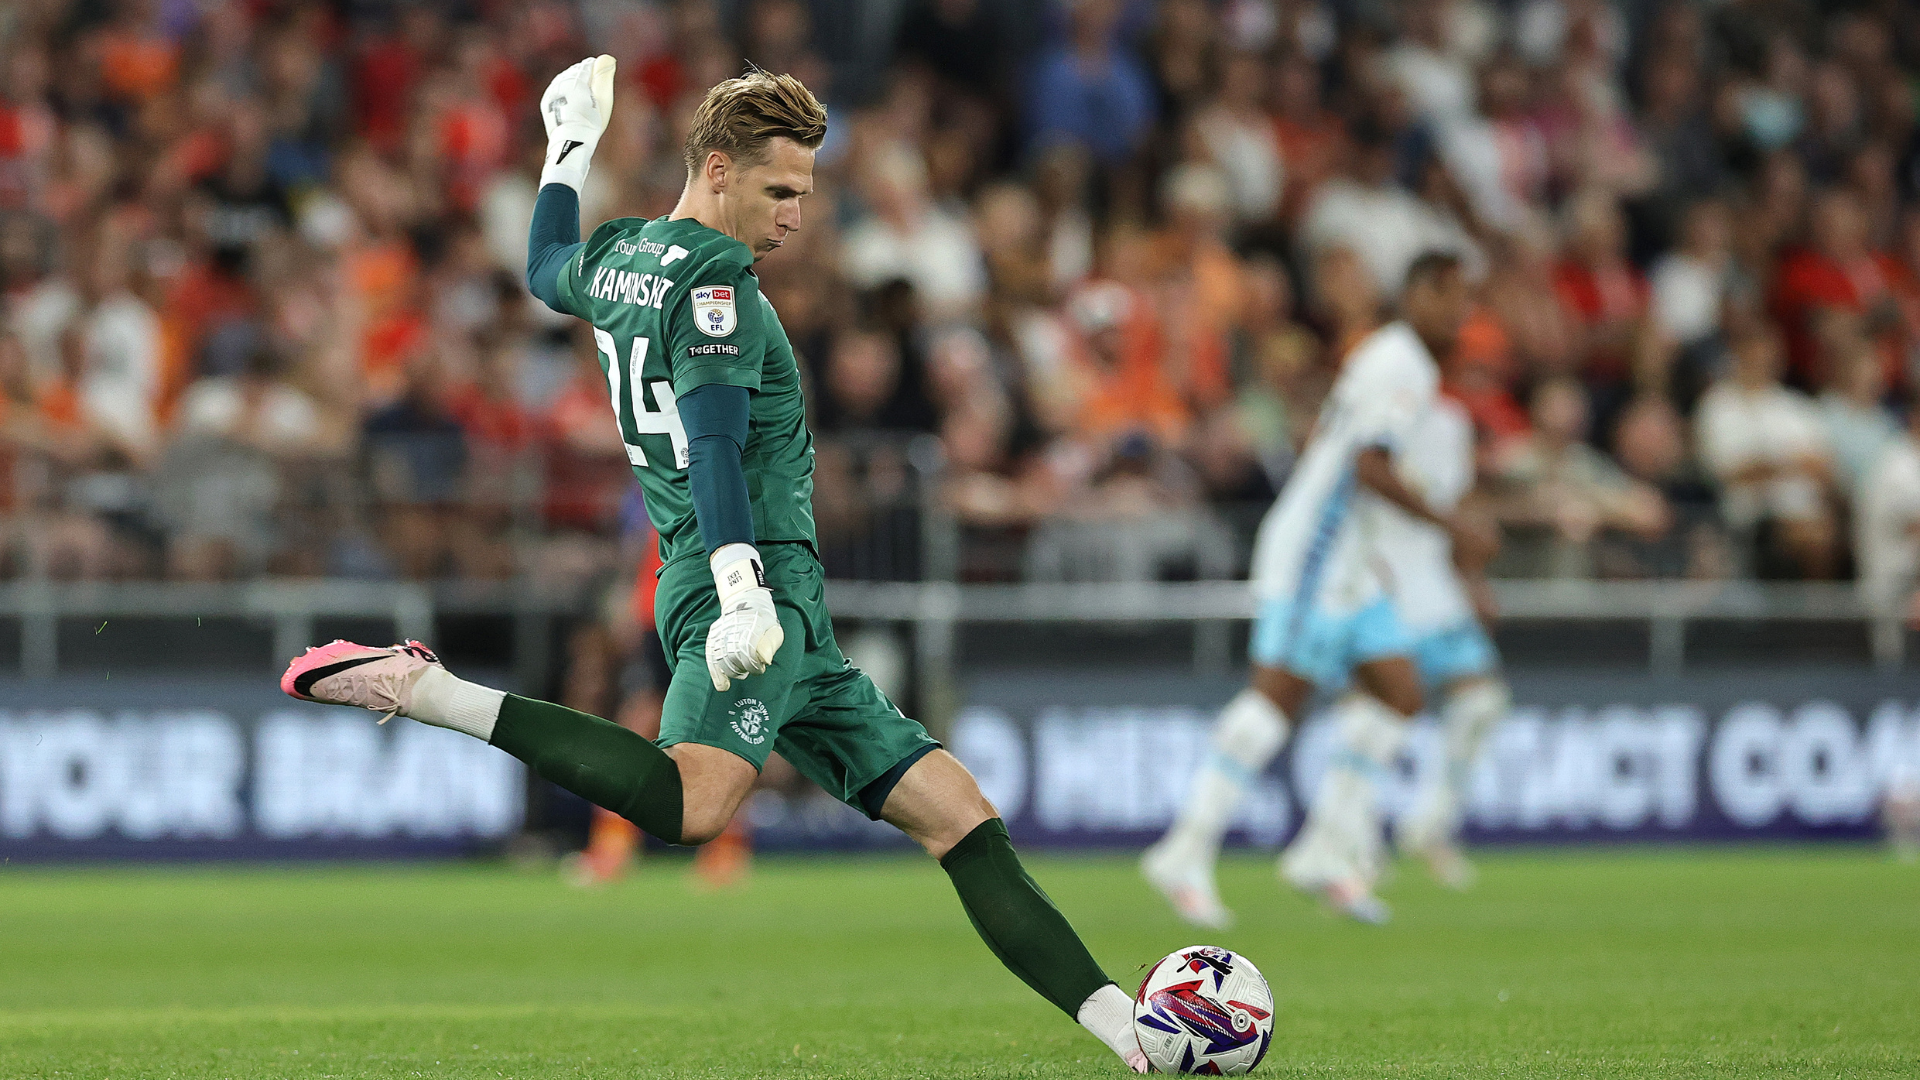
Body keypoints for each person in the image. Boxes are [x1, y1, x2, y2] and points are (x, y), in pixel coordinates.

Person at [280, 60, 1150, 1073]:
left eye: (807, 196)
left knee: (961, 819)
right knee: (695, 804)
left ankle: (1127, 1034)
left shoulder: (624, 257)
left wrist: (568, 149)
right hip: (749, 584)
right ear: (720, 168)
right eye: (780, 190)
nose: (794, 217)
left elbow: (543, 263)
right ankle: (425, 691)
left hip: (778, 608)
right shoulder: (717, 278)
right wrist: (742, 589)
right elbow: (712, 441)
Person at [1140, 251, 1474, 928]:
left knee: (1402, 694)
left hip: (1353, 560)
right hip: (1315, 555)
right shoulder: (1402, 362)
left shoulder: (1392, 357)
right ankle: (1184, 848)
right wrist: (1451, 525)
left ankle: (1323, 849)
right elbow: (1370, 465)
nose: (1462, 313)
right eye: (1452, 297)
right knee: (1275, 703)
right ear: (1419, 294)